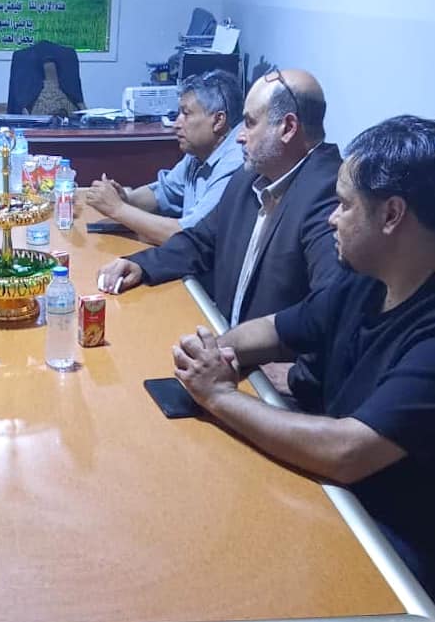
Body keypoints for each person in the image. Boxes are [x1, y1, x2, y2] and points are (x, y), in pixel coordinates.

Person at [172, 116, 435, 597]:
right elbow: (274, 330)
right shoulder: (365, 279)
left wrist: (219, 396)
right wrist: (216, 351)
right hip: (337, 501)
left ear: (392, 215)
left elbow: (347, 451)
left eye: (345, 205)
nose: (332, 218)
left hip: (395, 550)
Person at [97, 71, 343, 372]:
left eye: (250, 123)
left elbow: (333, 307)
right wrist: (141, 265)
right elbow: (201, 240)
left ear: (288, 128)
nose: (239, 136)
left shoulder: (329, 194)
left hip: (271, 376)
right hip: (226, 350)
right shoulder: (250, 176)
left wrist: (298, 375)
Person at [85, 70, 244, 245]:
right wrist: (127, 199)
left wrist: (118, 208)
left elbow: (191, 236)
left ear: (218, 120)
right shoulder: (199, 151)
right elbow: (164, 192)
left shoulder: (236, 163)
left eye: (186, 114)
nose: (176, 124)